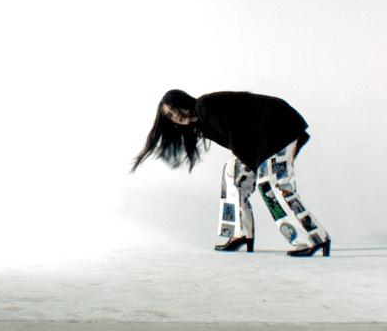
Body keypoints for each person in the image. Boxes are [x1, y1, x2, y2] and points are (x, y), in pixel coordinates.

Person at [131, 89, 331, 257]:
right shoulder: (199, 123)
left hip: (278, 127)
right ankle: (240, 234)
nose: (176, 117)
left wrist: (256, 168)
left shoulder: (204, 107)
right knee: (233, 172)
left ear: (184, 102)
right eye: (170, 116)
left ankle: (314, 239)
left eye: (175, 110)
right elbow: (239, 142)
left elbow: (238, 138)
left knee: (270, 183)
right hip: (262, 137)